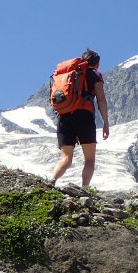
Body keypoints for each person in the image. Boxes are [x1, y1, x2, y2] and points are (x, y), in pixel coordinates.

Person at [50, 49, 109, 188]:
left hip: (64, 116)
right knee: (89, 160)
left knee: (65, 158)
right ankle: (85, 189)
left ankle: (51, 181)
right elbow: (101, 99)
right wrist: (106, 122)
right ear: (97, 64)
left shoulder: (69, 75)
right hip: (84, 117)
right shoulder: (95, 75)